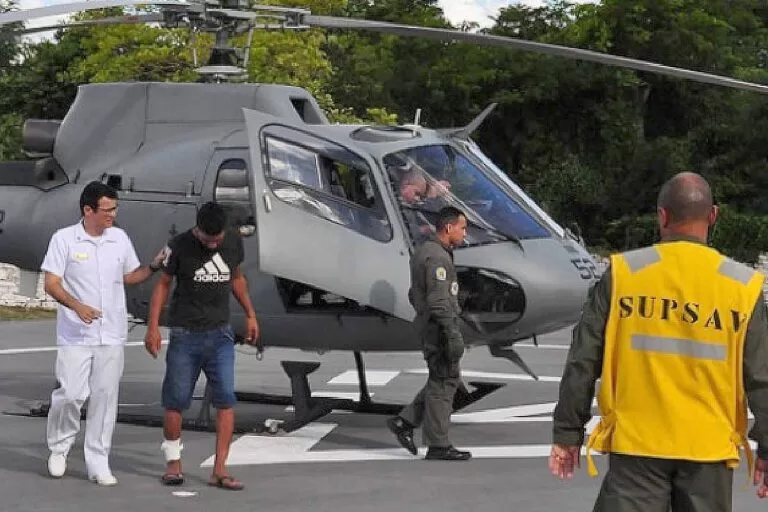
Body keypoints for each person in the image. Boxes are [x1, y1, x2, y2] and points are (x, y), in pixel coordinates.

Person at [549, 171, 768, 511]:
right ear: (713, 216)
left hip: (637, 446)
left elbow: (583, 358)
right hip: (708, 450)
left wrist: (567, 433)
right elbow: (762, 378)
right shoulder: (742, 286)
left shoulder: (625, 273)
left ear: (662, 216)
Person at [41, 181, 168, 486]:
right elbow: (52, 283)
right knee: (71, 394)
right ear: (88, 210)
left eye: (115, 208)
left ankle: (98, 461)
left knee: (105, 398)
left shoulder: (119, 238)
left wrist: (153, 266)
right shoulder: (64, 240)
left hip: (111, 334)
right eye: (108, 209)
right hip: (75, 334)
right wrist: (77, 306)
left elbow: (129, 276)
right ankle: (59, 447)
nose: (113, 213)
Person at [143, 201, 259, 491]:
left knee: (226, 400)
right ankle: (173, 464)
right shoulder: (178, 246)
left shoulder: (232, 241)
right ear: (197, 230)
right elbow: (162, 285)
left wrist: (250, 314)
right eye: (208, 240)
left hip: (220, 335)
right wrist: (153, 326)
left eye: (217, 239)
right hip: (185, 334)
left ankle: (220, 469)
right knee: (176, 400)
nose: (213, 244)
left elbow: (237, 278)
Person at [386, 206, 472, 461]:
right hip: (439, 328)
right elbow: (437, 301)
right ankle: (438, 444)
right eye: (462, 227)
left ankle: (405, 422)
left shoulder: (426, 251)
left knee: (444, 378)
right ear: (449, 228)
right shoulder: (438, 258)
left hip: (431, 324)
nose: (464, 233)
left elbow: (415, 294)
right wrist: (451, 332)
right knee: (444, 382)